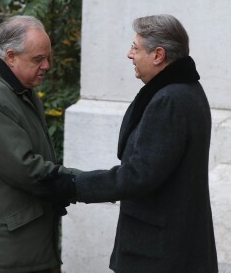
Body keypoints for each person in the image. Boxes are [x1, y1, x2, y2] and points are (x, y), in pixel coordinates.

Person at [38, 14, 219, 273]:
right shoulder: (185, 90)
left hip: (159, 253)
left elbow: (138, 175)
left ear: (158, 55)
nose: (129, 54)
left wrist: (74, 186)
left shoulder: (169, 100)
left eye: (135, 47)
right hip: (171, 245)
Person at [0, 15, 80, 273]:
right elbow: (26, 169)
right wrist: (84, 184)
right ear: (10, 56)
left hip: (12, 246)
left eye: (48, 57)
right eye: (38, 59)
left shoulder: (15, 86)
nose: (47, 65)